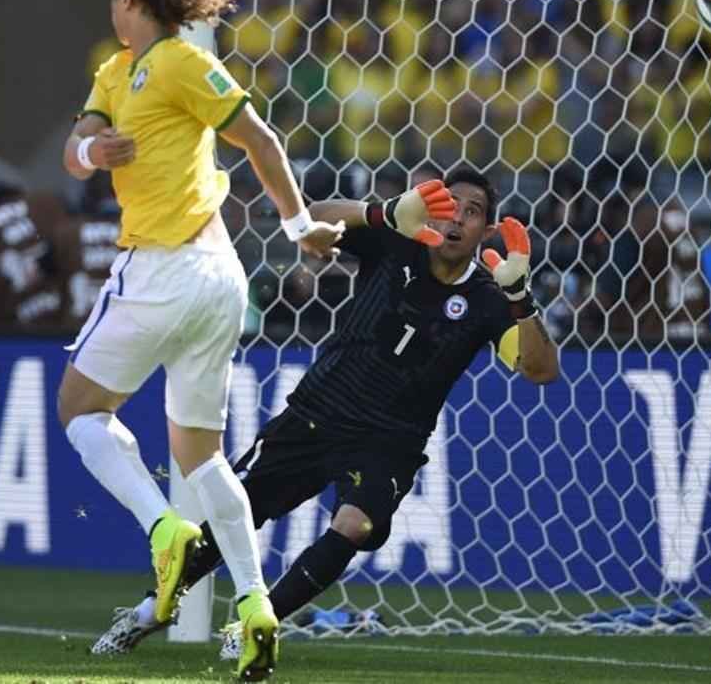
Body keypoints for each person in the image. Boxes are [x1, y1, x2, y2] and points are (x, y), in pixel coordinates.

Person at [92, 167, 559, 659]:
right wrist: (381, 213)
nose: (458, 220)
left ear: (487, 230)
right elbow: (311, 221)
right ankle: (146, 613)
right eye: (451, 207)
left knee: (353, 526)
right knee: (239, 511)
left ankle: (252, 626)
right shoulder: (395, 241)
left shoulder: (488, 299)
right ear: (434, 210)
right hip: (319, 412)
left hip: (390, 441)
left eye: (473, 212)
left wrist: (520, 299)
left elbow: (540, 369)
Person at [56, 0, 343, 682]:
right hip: (221, 280)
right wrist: (94, 148)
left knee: (80, 411)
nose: (110, 9)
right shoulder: (119, 73)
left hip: (161, 268)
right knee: (202, 457)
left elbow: (259, 140)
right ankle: (254, 606)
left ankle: (163, 529)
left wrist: (300, 223)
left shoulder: (182, 61)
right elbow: (75, 149)